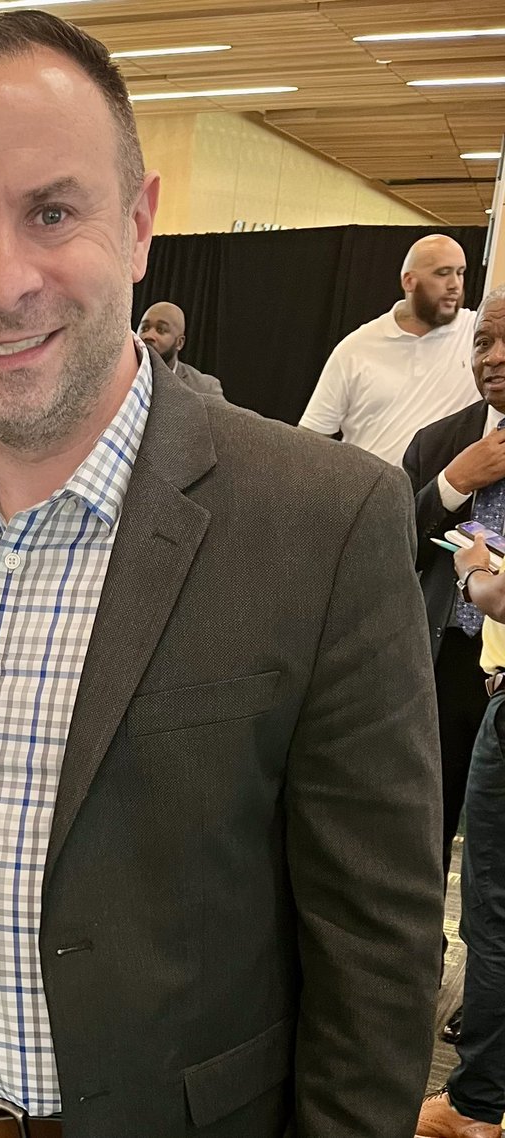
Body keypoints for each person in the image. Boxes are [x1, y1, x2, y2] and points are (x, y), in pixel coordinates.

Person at [0, 11, 443, 1137]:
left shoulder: (323, 520)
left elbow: (378, 955)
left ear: (142, 221)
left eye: (51, 212)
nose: (5, 281)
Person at [419, 285, 505, 1138]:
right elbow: (388, 535)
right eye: (482, 343)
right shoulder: (444, 441)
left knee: (494, 889)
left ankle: (482, 1078)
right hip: (443, 669)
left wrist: (486, 580)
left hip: (502, 682)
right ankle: (440, 996)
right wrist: (453, 484)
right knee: (433, 843)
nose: (493, 357)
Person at [299, 234, 478, 464]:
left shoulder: (478, 336)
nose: (455, 285)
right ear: (409, 281)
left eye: (460, 272)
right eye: (442, 273)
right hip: (366, 493)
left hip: (445, 496)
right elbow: (311, 439)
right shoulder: (356, 348)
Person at [137, 300, 224, 397]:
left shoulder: (205, 388)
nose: (148, 336)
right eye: (144, 328)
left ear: (179, 342)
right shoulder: (120, 372)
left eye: (160, 330)